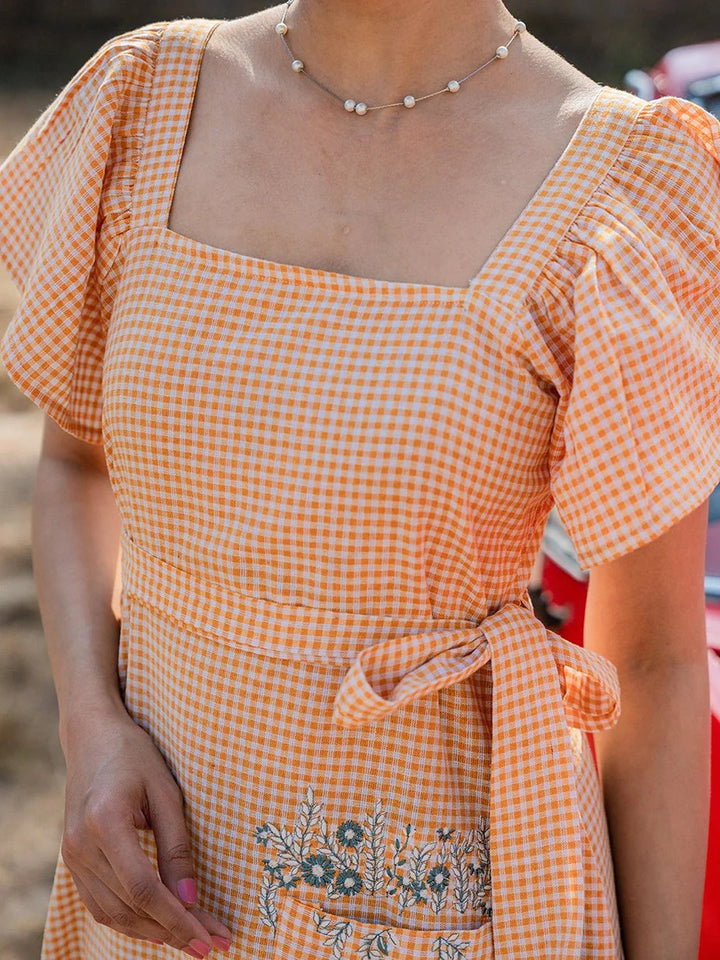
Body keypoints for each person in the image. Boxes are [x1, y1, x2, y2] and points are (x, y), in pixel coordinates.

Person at [1, 1, 719, 958]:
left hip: (468, 897)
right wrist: (90, 723)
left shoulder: (625, 182)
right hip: (152, 892)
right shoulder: (145, 95)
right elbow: (76, 461)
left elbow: (658, 660)